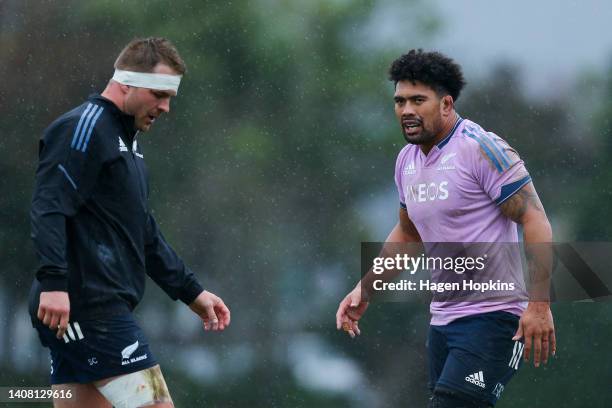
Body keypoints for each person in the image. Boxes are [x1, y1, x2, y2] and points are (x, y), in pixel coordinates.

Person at [335, 50, 555, 408]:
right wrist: (365, 291)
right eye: (400, 101)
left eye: (418, 100)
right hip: (443, 321)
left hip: (494, 317)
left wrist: (540, 305)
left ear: (446, 104)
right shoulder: (406, 161)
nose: (406, 110)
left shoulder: (480, 149)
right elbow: (408, 235)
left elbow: (535, 220)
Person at [29, 37, 230, 408]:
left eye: (170, 97)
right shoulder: (83, 129)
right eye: (158, 94)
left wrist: (191, 292)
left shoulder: (127, 143)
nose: (166, 107)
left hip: (88, 308)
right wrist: (54, 283)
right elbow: (48, 206)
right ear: (126, 82)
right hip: (88, 307)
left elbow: (142, 232)